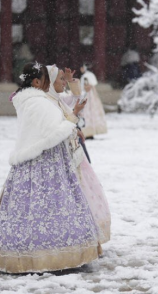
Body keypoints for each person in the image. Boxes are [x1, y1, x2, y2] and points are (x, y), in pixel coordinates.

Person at [0, 62, 100, 273]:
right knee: (51, 204)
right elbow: (54, 132)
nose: (51, 84)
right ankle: (52, 256)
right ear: (36, 82)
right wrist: (73, 117)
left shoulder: (33, 99)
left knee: (32, 207)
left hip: (36, 160)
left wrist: (72, 114)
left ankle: (31, 255)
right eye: (46, 78)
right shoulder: (37, 102)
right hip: (47, 161)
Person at [46, 64, 111, 244]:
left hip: (72, 146)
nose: (63, 82)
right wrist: (73, 124)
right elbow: (67, 116)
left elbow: (77, 101)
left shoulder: (57, 98)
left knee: (81, 187)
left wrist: (70, 82)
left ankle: (85, 232)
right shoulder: (47, 101)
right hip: (59, 150)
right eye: (60, 79)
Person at [79, 63, 108, 139]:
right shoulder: (90, 75)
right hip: (92, 96)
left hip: (87, 96)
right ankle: (92, 131)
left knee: (87, 113)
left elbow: (87, 87)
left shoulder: (85, 76)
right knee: (92, 113)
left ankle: (88, 132)